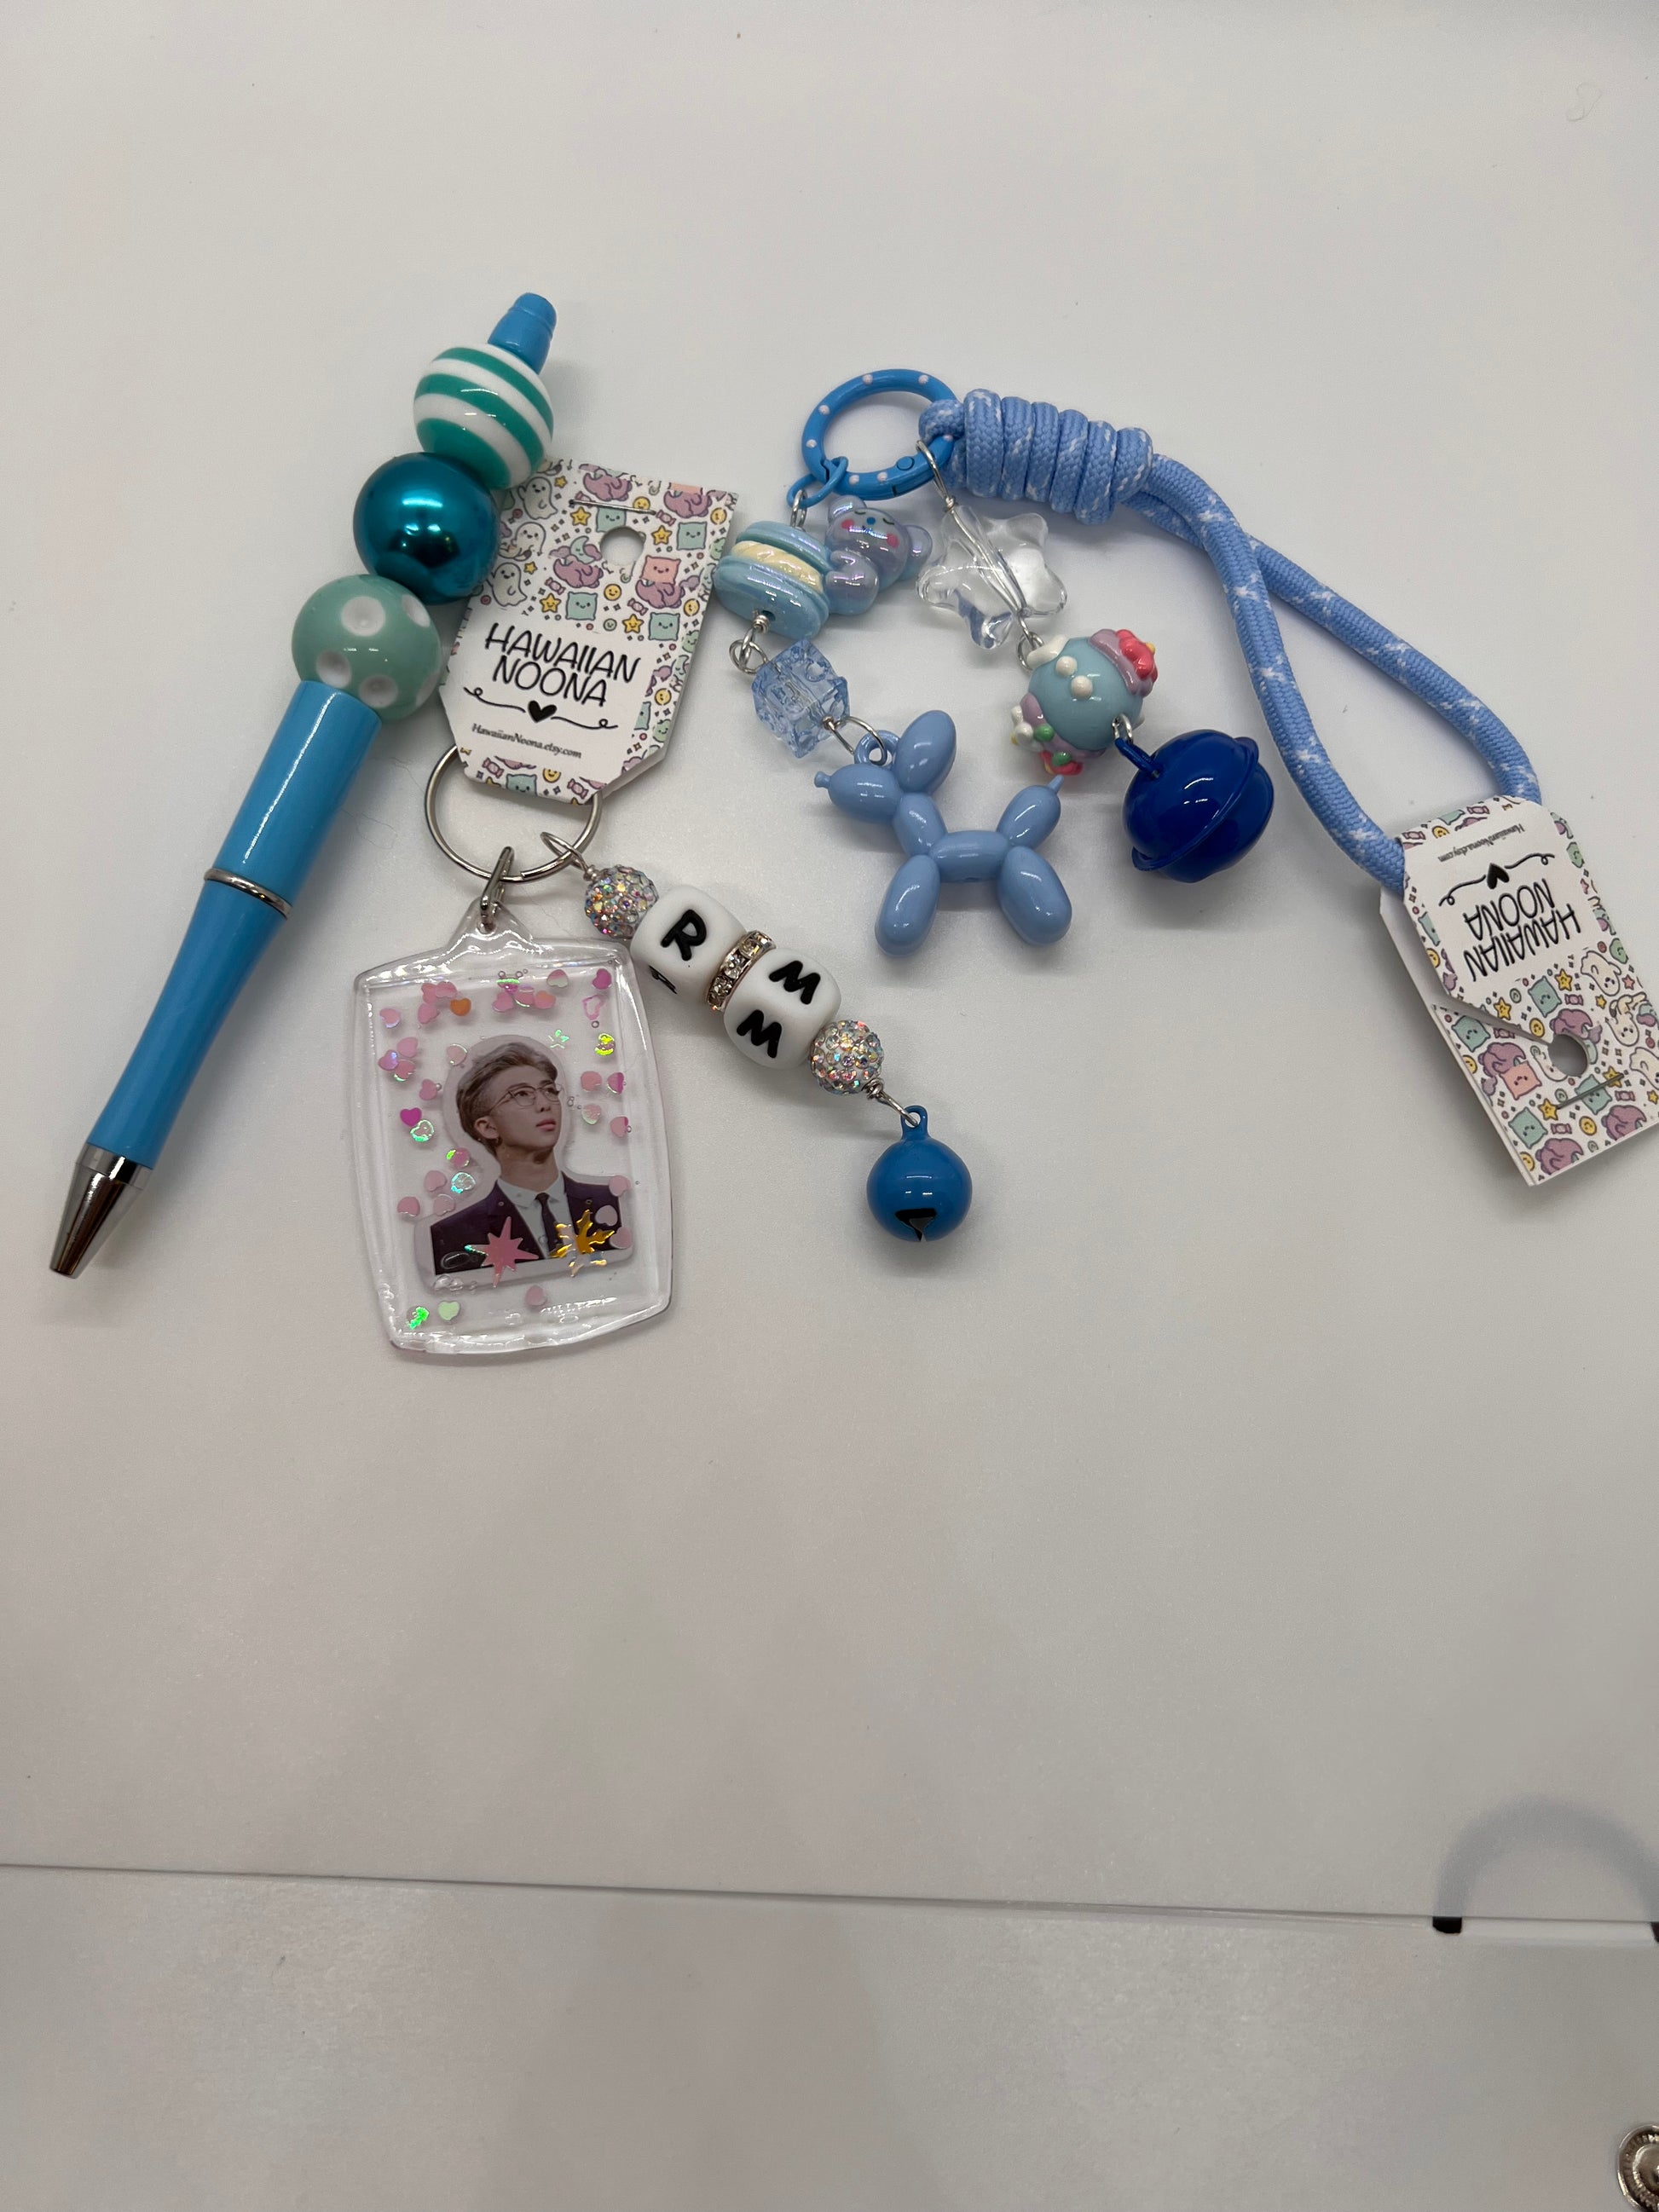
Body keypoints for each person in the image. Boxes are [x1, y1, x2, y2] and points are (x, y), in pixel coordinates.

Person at [428, 1038, 621, 1277]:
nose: (545, 1104)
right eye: (521, 1094)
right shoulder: (453, 1235)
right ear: (488, 1127)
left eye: (549, 1090)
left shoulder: (612, 1203)